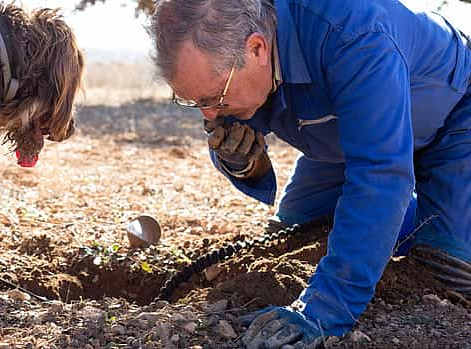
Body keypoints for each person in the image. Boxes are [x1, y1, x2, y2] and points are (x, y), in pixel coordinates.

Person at [149, 0, 471, 347]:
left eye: (215, 99)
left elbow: (382, 174)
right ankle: (389, 222)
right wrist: (243, 162)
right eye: (195, 102)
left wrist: (323, 309)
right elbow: (238, 132)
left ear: (257, 47)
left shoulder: (354, 33)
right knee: (295, 237)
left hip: (453, 119)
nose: (210, 116)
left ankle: (415, 219)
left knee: (442, 272)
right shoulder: (231, 54)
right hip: (345, 136)